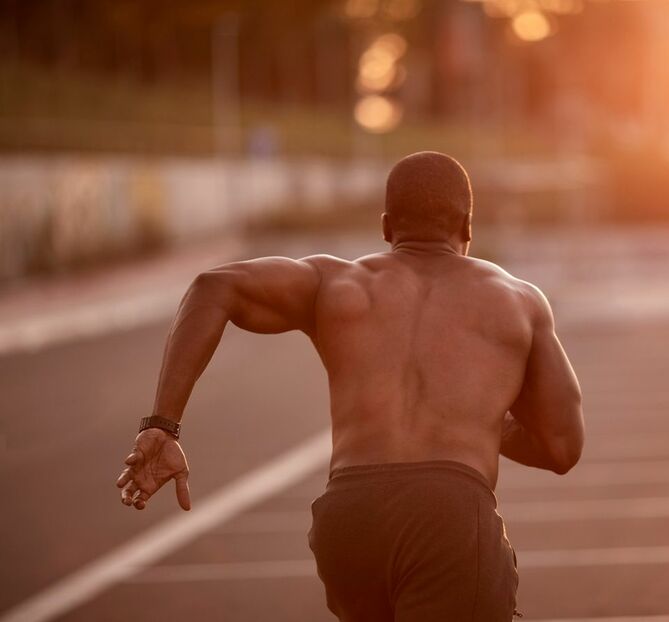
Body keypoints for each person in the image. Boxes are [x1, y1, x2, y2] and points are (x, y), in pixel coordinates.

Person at [115, 151, 584, 621]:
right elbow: (563, 446)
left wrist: (162, 425)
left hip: (349, 519)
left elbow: (211, 287)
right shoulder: (519, 300)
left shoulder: (334, 281)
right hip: (451, 516)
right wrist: (484, 421)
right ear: (466, 227)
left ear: (385, 227)